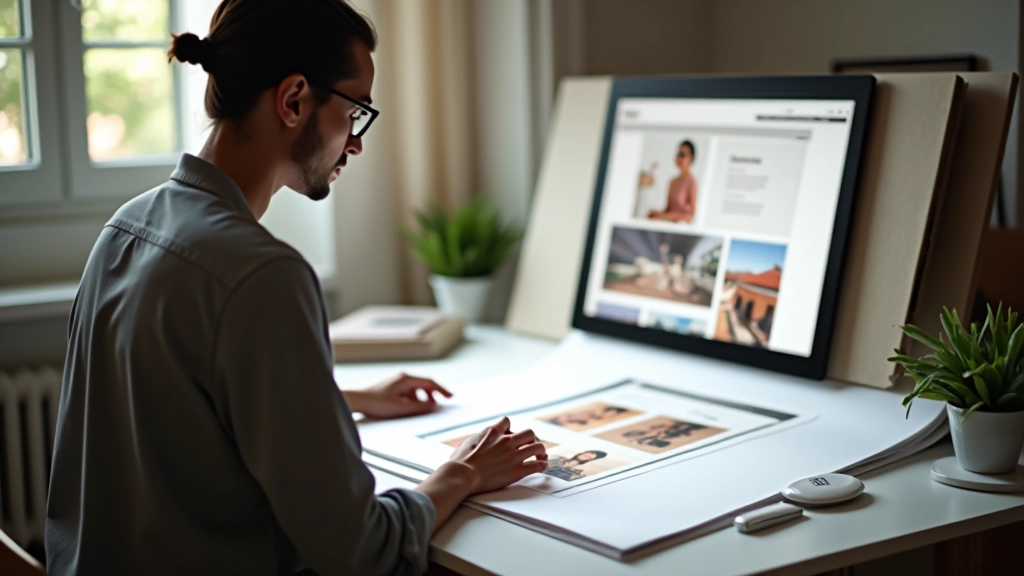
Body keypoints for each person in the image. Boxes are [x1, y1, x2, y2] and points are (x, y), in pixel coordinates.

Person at [44, 2, 547, 575]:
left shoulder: (126, 226)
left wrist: (344, 400)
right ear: (293, 100)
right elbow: (360, 552)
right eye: (355, 111)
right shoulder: (262, 275)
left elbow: (176, 409)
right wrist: (463, 472)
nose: (356, 142)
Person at [649, 140, 699, 223]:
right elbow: (668, 210)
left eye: (682, 155)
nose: (679, 158)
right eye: (678, 154)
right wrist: (656, 214)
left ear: (691, 157)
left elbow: (690, 216)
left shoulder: (692, 182)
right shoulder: (672, 181)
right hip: (667, 225)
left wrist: (661, 216)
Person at [543, 451, 608, 482]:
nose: (588, 455)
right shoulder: (556, 458)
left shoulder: (576, 475)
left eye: (592, 456)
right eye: (590, 453)